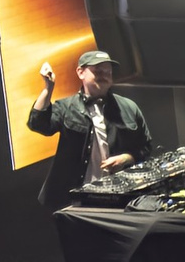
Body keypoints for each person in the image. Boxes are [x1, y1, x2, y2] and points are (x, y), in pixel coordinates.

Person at [26, 49, 151, 211]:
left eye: (108, 71)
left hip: (119, 197)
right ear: (80, 72)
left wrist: (127, 158)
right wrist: (48, 88)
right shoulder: (66, 107)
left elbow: (146, 147)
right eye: (98, 71)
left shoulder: (129, 108)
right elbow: (38, 124)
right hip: (75, 200)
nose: (104, 75)